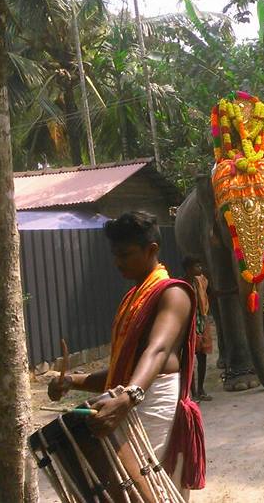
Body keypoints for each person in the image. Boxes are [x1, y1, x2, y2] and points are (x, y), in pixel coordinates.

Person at [48, 211, 205, 494]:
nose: (117, 263)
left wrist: (129, 396)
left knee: (149, 490)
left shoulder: (173, 293)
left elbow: (157, 351)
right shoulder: (133, 297)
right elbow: (124, 369)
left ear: (152, 250)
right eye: (115, 255)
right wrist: (73, 380)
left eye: (126, 254)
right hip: (136, 394)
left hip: (154, 400)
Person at [183, 256, 214, 402]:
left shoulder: (200, 282)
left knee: (202, 357)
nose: (200, 269)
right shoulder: (182, 285)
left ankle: (201, 390)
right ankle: (193, 393)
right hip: (188, 325)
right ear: (188, 268)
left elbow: (209, 292)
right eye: (197, 266)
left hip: (201, 322)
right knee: (190, 360)